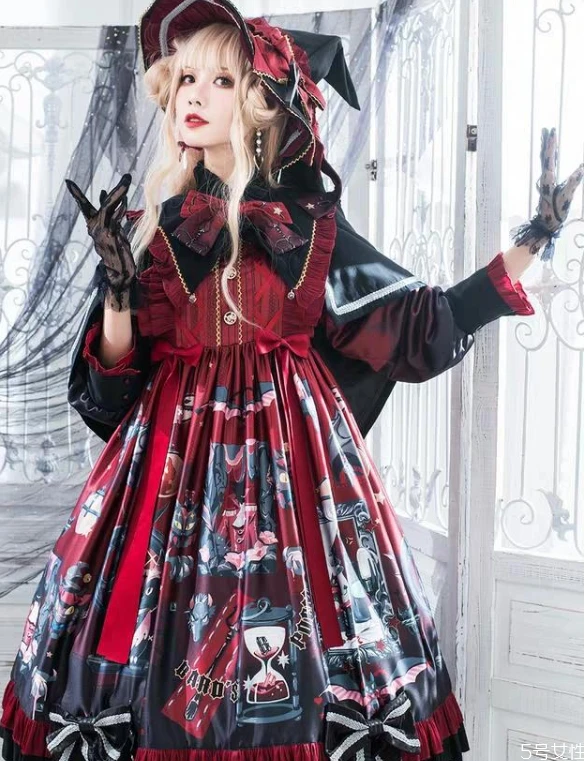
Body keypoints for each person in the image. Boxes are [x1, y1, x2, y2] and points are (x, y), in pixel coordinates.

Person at [0, 2, 582, 761]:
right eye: (185, 79)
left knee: (314, 625)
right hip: (168, 467)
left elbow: (421, 323)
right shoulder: (151, 228)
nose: (193, 95)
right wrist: (116, 286)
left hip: (296, 468)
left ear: (258, 103)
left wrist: (536, 237)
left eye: (219, 79)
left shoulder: (309, 228)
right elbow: (111, 388)